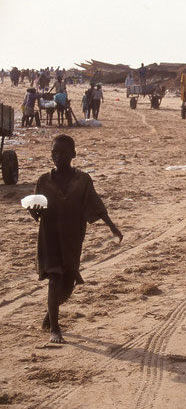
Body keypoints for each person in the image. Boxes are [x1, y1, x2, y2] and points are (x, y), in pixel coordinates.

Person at [26, 134, 122, 344]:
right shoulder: (44, 180)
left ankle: (51, 312)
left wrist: (112, 226)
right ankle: (55, 328)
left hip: (72, 238)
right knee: (54, 279)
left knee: (68, 284)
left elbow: (95, 205)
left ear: (73, 154)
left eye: (62, 152)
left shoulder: (83, 181)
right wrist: (33, 210)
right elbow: (36, 211)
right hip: (49, 238)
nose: (58, 157)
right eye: (54, 152)